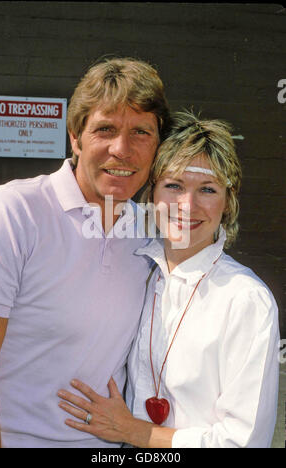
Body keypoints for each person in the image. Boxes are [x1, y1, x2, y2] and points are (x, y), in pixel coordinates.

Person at [58, 110, 280, 448]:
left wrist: (135, 432)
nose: (187, 205)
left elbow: (243, 443)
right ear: (151, 195)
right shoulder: (137, 272)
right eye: (173, 185)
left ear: (228, 203)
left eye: (207, 189)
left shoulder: (245, 300)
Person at [0, 57, 171, 448]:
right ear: (75, 136)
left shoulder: (153, 230)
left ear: (157, 147)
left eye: (141, 132)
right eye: (106, 129)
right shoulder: (14, 211)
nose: (122, 150)